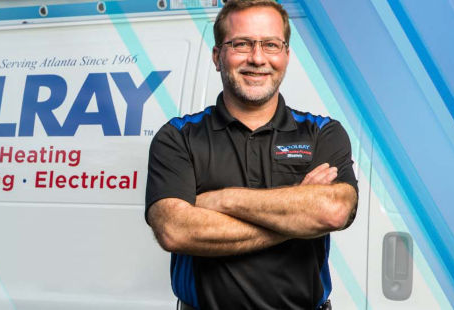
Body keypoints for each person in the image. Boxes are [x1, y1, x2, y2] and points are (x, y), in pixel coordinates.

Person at [143, 1, 358, 309]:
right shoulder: (178, 137)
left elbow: (333, 211)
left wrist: (220, 201)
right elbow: (175, 230)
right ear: (218, 57)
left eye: (271, 45)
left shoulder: (322, 132)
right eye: (241, 44)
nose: (257, 58)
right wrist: (297, 214)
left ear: (285, 55)